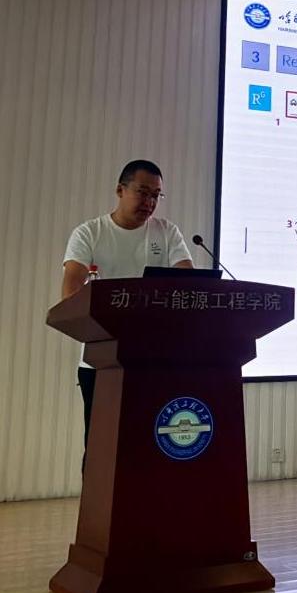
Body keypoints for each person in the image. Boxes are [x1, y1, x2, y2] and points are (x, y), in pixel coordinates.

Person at [62, 159, 193, 456]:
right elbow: (70, 294)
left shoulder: (166, 232)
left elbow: (188, 285)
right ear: (120, 190)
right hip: (102, 362)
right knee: (102, 450)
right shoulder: (90, 233)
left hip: (154, 360)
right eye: (143, 193)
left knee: (150, 448)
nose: (150, 202)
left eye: (156, 195)